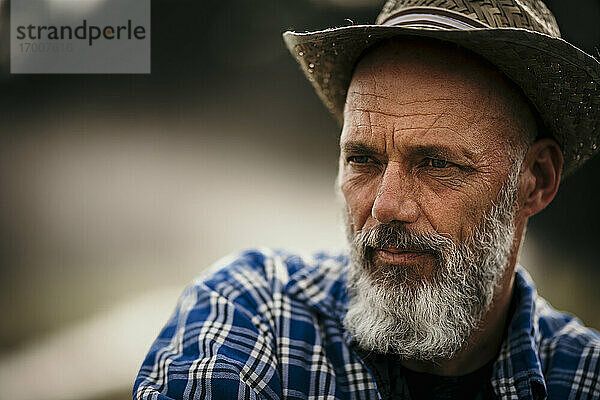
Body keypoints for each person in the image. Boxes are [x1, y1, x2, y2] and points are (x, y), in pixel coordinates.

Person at [133, 1, 600, 399]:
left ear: (535, 180)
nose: (385, 206)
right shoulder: (254, 312)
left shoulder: (584, 375)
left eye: (436, 164)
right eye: (363, 159)